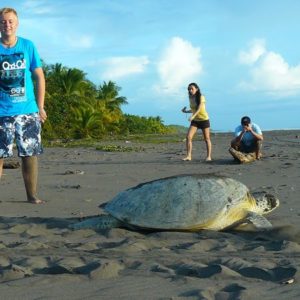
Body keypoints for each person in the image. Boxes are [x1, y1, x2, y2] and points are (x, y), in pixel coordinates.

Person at [0, 7, 47, 203]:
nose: (7, 24)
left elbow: (39, 77)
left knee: (29, 154)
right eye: (3, 21)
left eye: (11, 21)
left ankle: (31, 196)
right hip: (1, 112)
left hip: (27, 110)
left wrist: (40, 106)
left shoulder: (28, 46)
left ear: (17, 24)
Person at [181, 82, 212, 161]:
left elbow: (199, 108)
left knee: (207, 139)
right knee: (188, 137)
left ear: (197, 89)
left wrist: (193, 116)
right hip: (195, 121)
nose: (190, 90)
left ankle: (208, 157)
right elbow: (193, 109)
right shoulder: (190, 98)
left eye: (192, 89)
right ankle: (189, 156)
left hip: (204, 120)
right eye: (189, 89)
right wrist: (185, 111)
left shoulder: (201, 97)